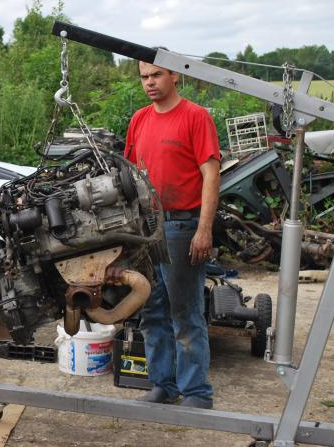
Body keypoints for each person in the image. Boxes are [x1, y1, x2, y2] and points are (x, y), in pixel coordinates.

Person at [123, 53, 220, 410]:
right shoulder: (140, 119)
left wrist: (204, 229)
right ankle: (163, 385)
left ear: (175, 75)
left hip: (183, 225)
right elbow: (131, 174)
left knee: (185, 314)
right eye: (144, 76)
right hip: (148, 228)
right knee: (151, 311)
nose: (150, 82)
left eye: (157, 75)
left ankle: (196, 392)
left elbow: (211, 175)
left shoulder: (196, 117)